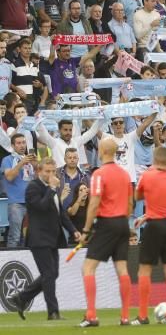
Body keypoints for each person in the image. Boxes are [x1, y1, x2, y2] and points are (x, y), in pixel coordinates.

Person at [13, 157, 79, 321]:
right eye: (47, 171)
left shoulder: (53, 188)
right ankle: (53, 312)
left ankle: (22, 297)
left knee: (52, 274)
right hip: (39, 237)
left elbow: (60, 212)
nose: (51, 174)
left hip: (53, 237)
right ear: (38, 171)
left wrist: (73, 230)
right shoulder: (33, 188)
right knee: (48, 273)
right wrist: (51, 188)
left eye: (53, 171)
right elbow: (41, 208)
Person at [79, 137, 134, 328]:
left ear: (102, 151)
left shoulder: (99, 174)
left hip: (107, 223)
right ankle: (125, 316)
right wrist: (123, 222)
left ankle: (91, 315)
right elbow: (130, 203)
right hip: (122, 222)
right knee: (122, 269)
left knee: (88, 268)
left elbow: (94, 204)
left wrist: (86, 229)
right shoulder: (125, 174)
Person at [133, 146, 166, 324]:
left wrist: (148, 213)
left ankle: (143, 315)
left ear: (155, 159)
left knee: (145, 270)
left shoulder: (148, 175)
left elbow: (138, 196)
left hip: (154, 226)